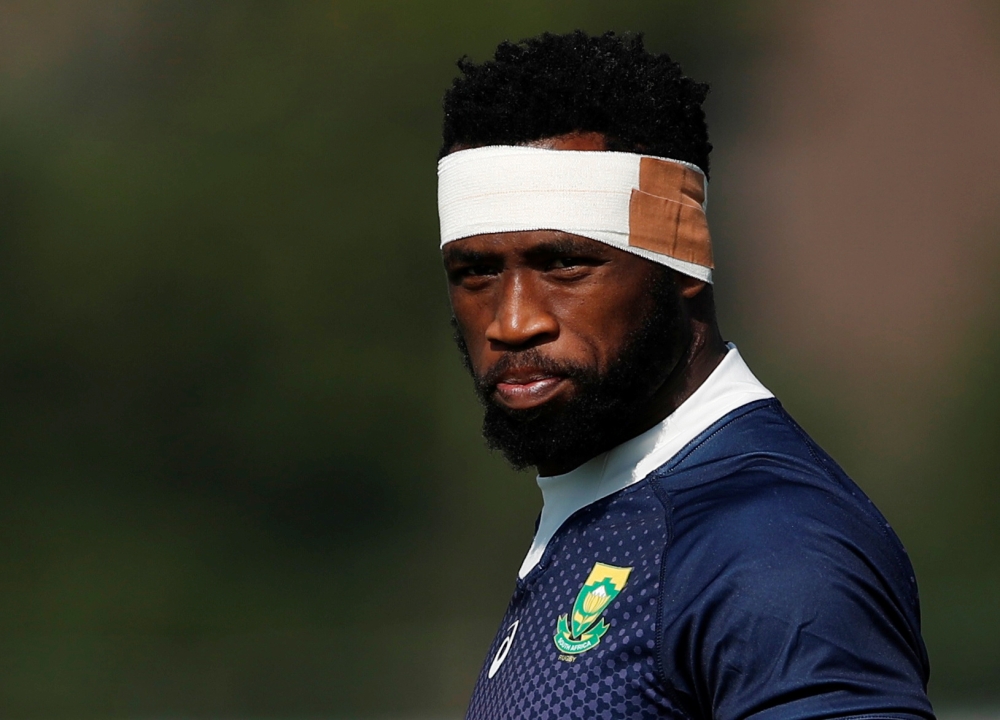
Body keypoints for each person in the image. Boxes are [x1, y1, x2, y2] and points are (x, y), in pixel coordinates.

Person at [436, 31, 933, 719]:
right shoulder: (610, 511)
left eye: (563, 264)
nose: (512, 321)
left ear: (683, 257)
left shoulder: (771, 545)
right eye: (476, 273)